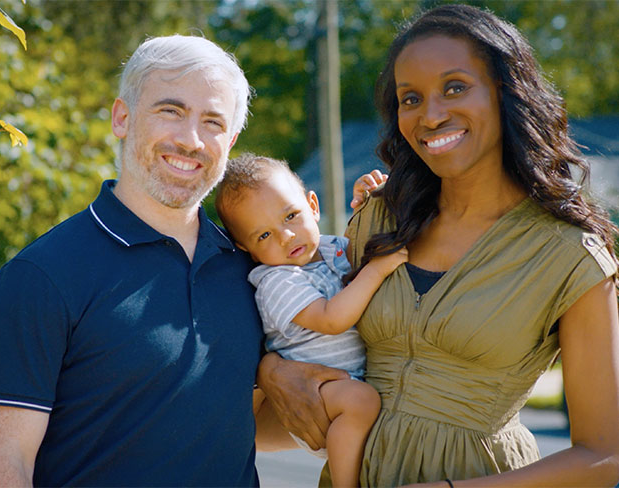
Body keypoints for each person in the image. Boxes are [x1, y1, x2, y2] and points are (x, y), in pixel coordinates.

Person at [257, 4, 619, 487]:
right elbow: (306, 348)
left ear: (506, 94)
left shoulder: (571, 256)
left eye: (455, 87)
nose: (430, 115)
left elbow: (606, 456)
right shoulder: (376, 221)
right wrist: (274, 370)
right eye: (410, 98)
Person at [0, 35, 266, 487]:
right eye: (171, 111)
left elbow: (238, 424)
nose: (191, 140)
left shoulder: (251, 269)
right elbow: (5, 463)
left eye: (212, 121)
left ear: (231, 140)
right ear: (121, 118)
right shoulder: (41, 278)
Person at [215, 153, 407, 487]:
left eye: (291, 216)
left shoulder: (333, 248)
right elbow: (331, 318)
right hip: (318, 399)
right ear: (245, 249)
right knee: (362, 402)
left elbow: (362, 250)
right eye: (264, 236)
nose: (286, 236)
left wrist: (367, 202)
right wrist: (376, 269)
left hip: (350, 382)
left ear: (313, 206)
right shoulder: (276, 281)